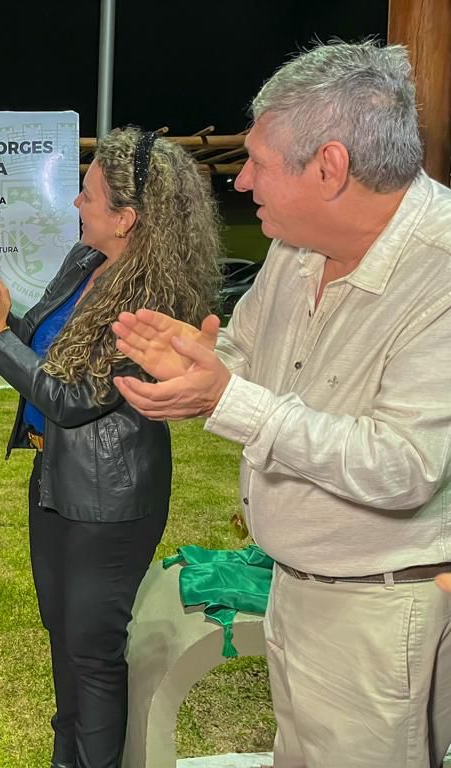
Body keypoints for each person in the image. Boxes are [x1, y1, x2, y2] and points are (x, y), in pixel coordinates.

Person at [111, 42, 451, 768]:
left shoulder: (442, 272)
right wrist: (196, 372)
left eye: (261, 160)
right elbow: (243, 359)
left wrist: (230, 398)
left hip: (380, 614)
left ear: (329, 167)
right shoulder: (299, 244)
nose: (241, 178)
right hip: (293, 589)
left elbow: (403, 466)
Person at [0, 126, 221, 768]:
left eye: (89, 194)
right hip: (55, 478)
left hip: (110, 499)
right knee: (64, 639)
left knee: (91, 652)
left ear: (127, 218)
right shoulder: (86, 263)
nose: (76, 204)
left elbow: (74, 399)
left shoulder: (152, 297)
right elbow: (46, 353)